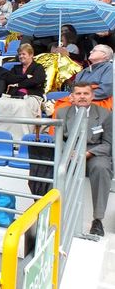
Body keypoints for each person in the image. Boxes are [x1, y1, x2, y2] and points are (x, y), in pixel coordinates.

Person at [58, 82, 112, 236]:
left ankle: (98, 220)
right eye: (78, 93)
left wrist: (88, 153)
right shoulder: (62, 113)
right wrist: (69, 151)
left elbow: (108, 144)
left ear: (92, 96)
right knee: (54, 167)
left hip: (94, 153)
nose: (82, 97)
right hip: (71, 152)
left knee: (101, 168)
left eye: (86, 93)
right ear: (72, 97)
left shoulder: (105, 114)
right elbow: (58, 139)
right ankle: (52, 213)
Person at [0, 44, 46, 140]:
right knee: (1, 103)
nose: (21, 56)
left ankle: (21, 138)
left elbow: (36, 81)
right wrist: (25, 77)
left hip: (32, 95)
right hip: (15, 96)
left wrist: (18, 84)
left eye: (24, 54)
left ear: (31, 55)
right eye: (20, 54)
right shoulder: (15, 68)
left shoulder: (38, 67)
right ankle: (2, 135)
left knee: (22, 105)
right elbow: (9, 78)